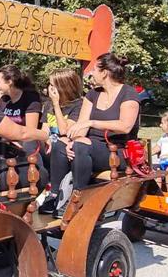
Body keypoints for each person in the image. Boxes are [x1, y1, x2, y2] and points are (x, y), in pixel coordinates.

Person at [43, 53, 140, 214]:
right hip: (87, 147)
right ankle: (55, 195)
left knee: (82, 146)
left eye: (95, 68)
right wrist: (71, 141)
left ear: (105, 72)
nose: (91, 73)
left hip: (117, 151)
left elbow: (125, 126)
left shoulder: (128, 94)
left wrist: (92, 123)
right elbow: (80, 128)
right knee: (61, 144)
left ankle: (76, 198)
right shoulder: (92, 95)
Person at [0, 65, 43, 129]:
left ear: (9, 82)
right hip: (5, 138)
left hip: (26, 138)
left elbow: (31, 131)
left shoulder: (30, 99)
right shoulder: (3, 100)